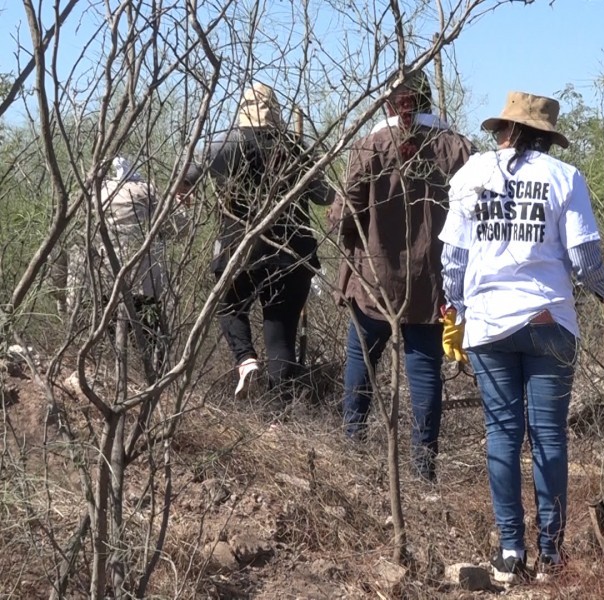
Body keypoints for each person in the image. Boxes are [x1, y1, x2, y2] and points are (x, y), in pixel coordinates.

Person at [438, 91, 604, 582]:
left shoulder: (469, 176)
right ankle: (551, 554)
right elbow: (586, 262)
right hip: (547, 321)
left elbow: (453, 262)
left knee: (501, 436)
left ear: (502, 130)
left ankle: (509, 552)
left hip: (486, 324)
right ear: (546, 136)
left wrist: (454, 313)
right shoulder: (564, 178)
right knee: (548, 437)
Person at [329, 69, 473, 482]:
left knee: (362, 360)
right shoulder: (458, 150)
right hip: (432, 284)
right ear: (427, 101)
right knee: (425, 371)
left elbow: (344, 217)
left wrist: (347, 222)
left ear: (390, 104)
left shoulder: (368, 148)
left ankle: (351, 452)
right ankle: (423, 473)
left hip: (373, 281)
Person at [181, 83, 333, 398]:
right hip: (293, 254)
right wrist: (307, 162)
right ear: (275, 111)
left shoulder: (228, 144)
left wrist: (185, 191)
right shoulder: (297, 148)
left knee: (229, 306)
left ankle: (246, 360)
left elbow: (186, 176)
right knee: (280, 332)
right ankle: (278, 412)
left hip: (242, 251)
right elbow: (325, 196)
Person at [55, 156, 172, 368]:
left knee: (101, 349)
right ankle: (152, 385)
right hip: (142, 285)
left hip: (98, 285)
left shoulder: (85, 195)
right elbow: (177, 226)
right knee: (147, 347)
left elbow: (61, 247)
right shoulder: (146, 190)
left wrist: (61, 296)